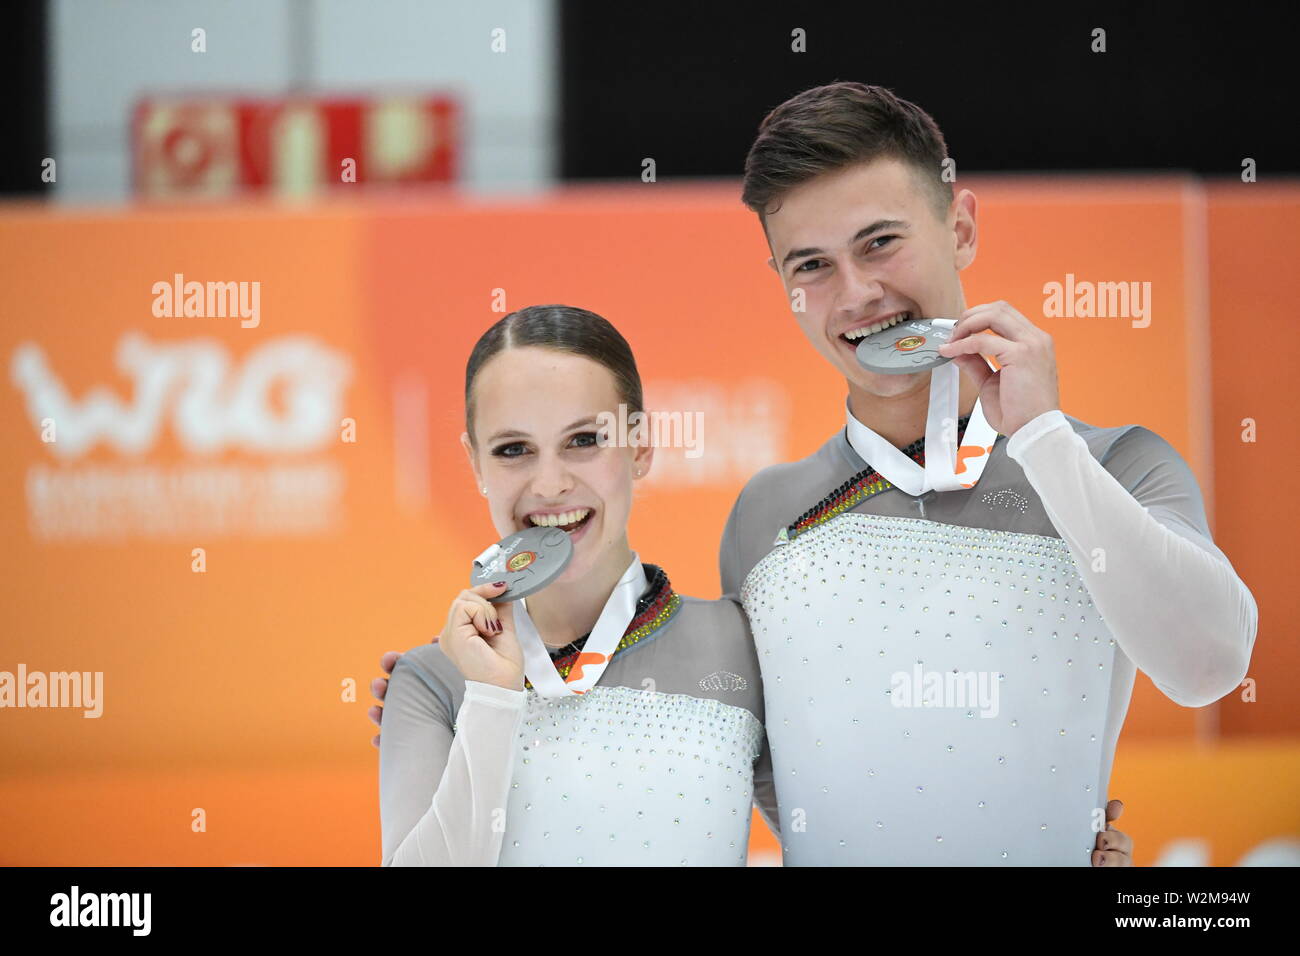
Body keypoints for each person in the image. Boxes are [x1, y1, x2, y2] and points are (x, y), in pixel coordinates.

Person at [711, 82, 1256, 864]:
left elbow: (1209, 666)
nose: (859, 294)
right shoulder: (766, 513)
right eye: (814, 265)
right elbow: (768, 766)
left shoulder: (1115, 464)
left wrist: (1042, 437)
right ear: (785, 285)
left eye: (879, 243)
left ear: (960, 227)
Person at [378, 304, 776, 866]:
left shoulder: (741, 645)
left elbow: (842, 839)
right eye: (513, 450)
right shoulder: (430, 680)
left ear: (639, 447)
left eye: (584, 440)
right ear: (475, 465)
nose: (550, 484)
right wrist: (491, 700)